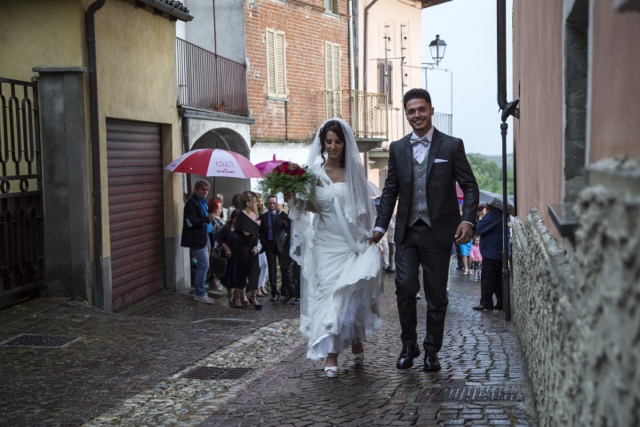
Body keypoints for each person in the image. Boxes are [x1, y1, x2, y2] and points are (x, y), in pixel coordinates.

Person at [370, 88, 479, 372]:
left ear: (431, 110)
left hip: (439, 232)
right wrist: (380, 226)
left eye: (421, 109)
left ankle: (432, 350)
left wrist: (467, 220)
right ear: (406, 115)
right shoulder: (397, 148)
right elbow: (390, 189)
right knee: (405, 287)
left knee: (436, 294)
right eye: (411, 111)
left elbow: (469, 186)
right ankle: (409, 346)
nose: (417, 115)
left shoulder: (451, 146)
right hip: (407, 232)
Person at [288, 118, 383, 378]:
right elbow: (309, 207)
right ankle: (331, 354)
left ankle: (355, 339)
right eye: (328, 141)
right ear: (322, 143)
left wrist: (367, 238)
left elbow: (363, 210)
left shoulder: (354, 172)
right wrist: (292, 198)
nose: (333, 146)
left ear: (345, 143)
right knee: (328, 294)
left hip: (348, 242)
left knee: (349, 295)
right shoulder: (312, 174)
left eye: (338, 141)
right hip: (324, 243)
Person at [181, 179, 215, 305]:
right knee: (203, 263)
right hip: (196, 239)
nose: (205, 192)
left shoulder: (203, 202)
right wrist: (207, 219)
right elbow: (190, 222)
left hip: (205, 236)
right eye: (202, 189)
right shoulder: (191, 203)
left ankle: (200, 288)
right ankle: (200, 293)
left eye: (207, 190)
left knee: (205, 264)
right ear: (196, 189)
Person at [259, 195, 294, 302]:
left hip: (281, 245)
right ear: (267, 204)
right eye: (270, 203)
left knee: (284, 268)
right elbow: (261, 232)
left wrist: (281, 212)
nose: (272, 205)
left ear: (277, 204)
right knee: (272, 269)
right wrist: (264, 243)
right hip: (269, 245)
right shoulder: (263, 217)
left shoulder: (281, 215)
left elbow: (289, 225)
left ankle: (285, 290)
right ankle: (274, 292)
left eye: (274, 203)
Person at [473, 200, 505, 311]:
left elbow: (478, 228)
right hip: (499, 251)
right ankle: (501, 302)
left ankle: (486, 303)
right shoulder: (503, 215)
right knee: (498, 279)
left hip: (491, 252)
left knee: (487, 279)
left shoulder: (493, 214)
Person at [234, 191, 262, 310]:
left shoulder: (255, 215)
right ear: (248, 203)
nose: (256, 204)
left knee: (255, 272)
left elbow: (256, 234)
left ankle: (254, 297)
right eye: (254, 202)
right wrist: (256, 224)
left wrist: (256, 246)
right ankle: (237, 296)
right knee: (242, 273)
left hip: (253, 247)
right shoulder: (241, 216)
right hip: (242, 248)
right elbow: (245, 232)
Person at [218, 210, 239, 306]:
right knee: (229, 277)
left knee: (237, 276)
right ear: (232, 218)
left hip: (238, 255)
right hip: (229, 255)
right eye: (236, 218)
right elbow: (219, 240)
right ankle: (230, 296)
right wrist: (226, 249)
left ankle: (236, 296)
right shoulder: (226, 228)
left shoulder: (240, 228)